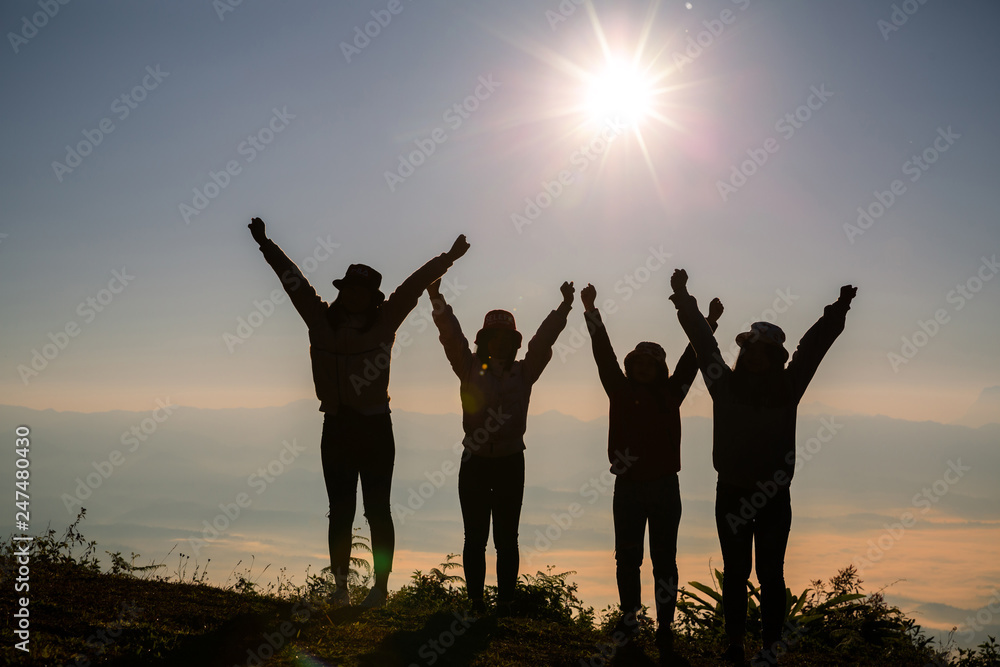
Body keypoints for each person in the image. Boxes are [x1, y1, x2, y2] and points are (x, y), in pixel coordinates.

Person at [248, 216, 469, 609]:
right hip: (335, 426)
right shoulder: (318, 318)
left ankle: (380, 590)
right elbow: (291, 279)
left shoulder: (384, 324)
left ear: (372, 298)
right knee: (341, 511)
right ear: (343, 291)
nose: (353, 296)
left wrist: (447, 259)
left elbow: (412, 287)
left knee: (377, 509)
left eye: (361, 292)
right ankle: (340, 589)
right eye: (349, 289)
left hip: (374, 428)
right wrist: (266, 244)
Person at [668, 268, 857, 665]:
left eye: (761, 352)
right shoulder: (725, 384)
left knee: (771, 576)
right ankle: (737, 645)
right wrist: (683, 298)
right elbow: (703, 343)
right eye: (750, 351)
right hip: (733, 492)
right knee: (736, 573)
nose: (753, 357)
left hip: (771, 497)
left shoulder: (788, 387)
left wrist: (837, 310)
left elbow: (813, 348)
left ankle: (769, 648)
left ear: (774, 358)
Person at [581, 283, 722, 664]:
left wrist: (708, 322)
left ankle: (663, 626)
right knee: (627, 557)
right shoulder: (620, 390)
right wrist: (591, 311)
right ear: (629, 367)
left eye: (649, 363)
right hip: (628, 486)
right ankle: (630, 622)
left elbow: (692, 360)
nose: (641, 367)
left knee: (664, 559)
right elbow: (603, 356)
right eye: (636, 362)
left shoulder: (671, 393)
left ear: (659, 368)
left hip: (662, 487)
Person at [427, 278, 575, 615]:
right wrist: (437, 298)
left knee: (507, 539)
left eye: (505, 339)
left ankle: (506, 604)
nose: (499, 344)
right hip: (476, 461)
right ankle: (477, 602)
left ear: (513, 343)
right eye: (493, 338)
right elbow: (452, 337)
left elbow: (543, 342)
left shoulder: (525, 373)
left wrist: (564, 308)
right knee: (475, 537)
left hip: (509, 461)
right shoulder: (468, 367)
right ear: (484, 342)